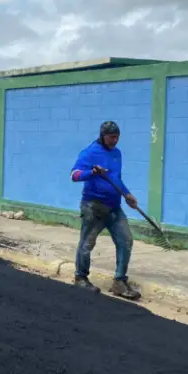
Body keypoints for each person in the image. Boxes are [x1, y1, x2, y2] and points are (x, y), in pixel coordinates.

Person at [70, 120, 141, 300]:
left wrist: (127, 194)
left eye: (117, 137)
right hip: (94, 207)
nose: (115, 140)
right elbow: (74, 175)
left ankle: (119, 282)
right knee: (87, 244)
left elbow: (116, 178)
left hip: (114, 207)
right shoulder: (90, 152)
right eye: (111, 137)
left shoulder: (117, 154)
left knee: (126, 240)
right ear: (103, 136)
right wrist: (92, 173)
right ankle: (80, 277)